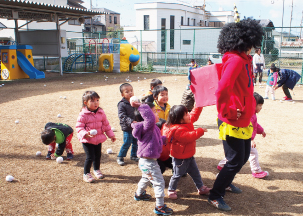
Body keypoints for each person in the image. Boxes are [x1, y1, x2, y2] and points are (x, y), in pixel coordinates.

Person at [208, 18, 264, 211]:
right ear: (245, 41)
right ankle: (215, 194)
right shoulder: (236, 60)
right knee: (235, 160)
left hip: (243, 119)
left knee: (243, 156)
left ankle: (226, 181)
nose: (253, 47)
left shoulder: (243, 59)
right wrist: (228, 111)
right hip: (232, 119)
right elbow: (222, 89)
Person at [131, 102, 173, 215]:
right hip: (149, 162)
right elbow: (149, 118)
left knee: (146, 177)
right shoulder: (147, 126)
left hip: (145, 162)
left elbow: (155, 139)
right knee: (159, 183)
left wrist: (164, 139)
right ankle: (160, 206)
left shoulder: (152, 128)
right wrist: (141, 105)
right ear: (145, 116)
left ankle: (139, 194)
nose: (157, 113)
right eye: (154, 111)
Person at [163, 105, 211, 200]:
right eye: (186, 114)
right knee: (177, 175)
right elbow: (188, 137)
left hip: (189, 155)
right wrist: (200, 131)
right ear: (180, 120)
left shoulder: (187, 121)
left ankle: (201, 187)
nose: (189, 115)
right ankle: (171, 189)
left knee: (195, 173)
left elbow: (194, 114)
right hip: (180, 158)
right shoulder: (177, 130)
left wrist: (199, 105)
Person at [217, 92, 269, 179]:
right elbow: (248, 127)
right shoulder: (249, 115)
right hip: (245, 138)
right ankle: (256, 171)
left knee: (234, 154)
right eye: (259, 105)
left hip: (246, 138)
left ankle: (222, 165)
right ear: (253, 104)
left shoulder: (252, 114)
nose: (261, 107)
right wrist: (251, 139)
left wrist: (261, 130)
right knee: (252, 153)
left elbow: (255, 125)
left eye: (261, 105)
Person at [76, 91, 116, 183]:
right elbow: (79, 127)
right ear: (85, 103)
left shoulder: (101, 112)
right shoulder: (83, 114)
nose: (96, 103)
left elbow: (106, 125)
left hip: (98, 139)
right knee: (90, 157)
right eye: (93, 101)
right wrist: (85, 133)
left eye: (97, 100)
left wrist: (111, 135)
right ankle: (86, 173)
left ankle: (96, 169)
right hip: (87, 139)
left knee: (98, 155)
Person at [117, 83, 139, 166]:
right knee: (127, 142)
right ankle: (120, 156)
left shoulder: (136, 101)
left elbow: (139, 111)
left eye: (131, 91)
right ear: (122, 94)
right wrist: (131, 122)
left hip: (136, 127)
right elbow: (122, 116)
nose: (130, 93)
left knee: (136, 142)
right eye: (127, 91)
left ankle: (133, 155)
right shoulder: (122, 104)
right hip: (127, 127)